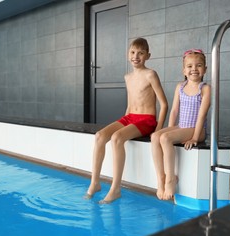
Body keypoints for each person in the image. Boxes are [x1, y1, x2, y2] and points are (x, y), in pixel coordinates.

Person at [85, 37, 168, 204]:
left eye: (140, 53)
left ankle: (115, 189)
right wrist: (124, 123)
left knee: (116, 138)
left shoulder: (150, 74)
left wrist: (158, 130)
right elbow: (130, 104)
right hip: (130, 117)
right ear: (127, 54)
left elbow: (164, 103)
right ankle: (95, 183)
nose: (135, 56)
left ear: (148, 56)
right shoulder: (127, 77)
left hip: (147, 119)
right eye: (132, 52)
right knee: (100, 135)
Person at [150, 49, 211, 201]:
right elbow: (175, 110)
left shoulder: (205, 88)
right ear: (184, 70)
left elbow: (202, 116)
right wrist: (169, 130)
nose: (194, 69)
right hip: (182, 126)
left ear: (205, 69)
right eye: (189, 66)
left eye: (198, 65)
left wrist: (195, 138)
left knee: (165, 138)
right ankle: (161, 178)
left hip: (197, 129)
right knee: (156, 136)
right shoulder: (180, 87)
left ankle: (171, 179)